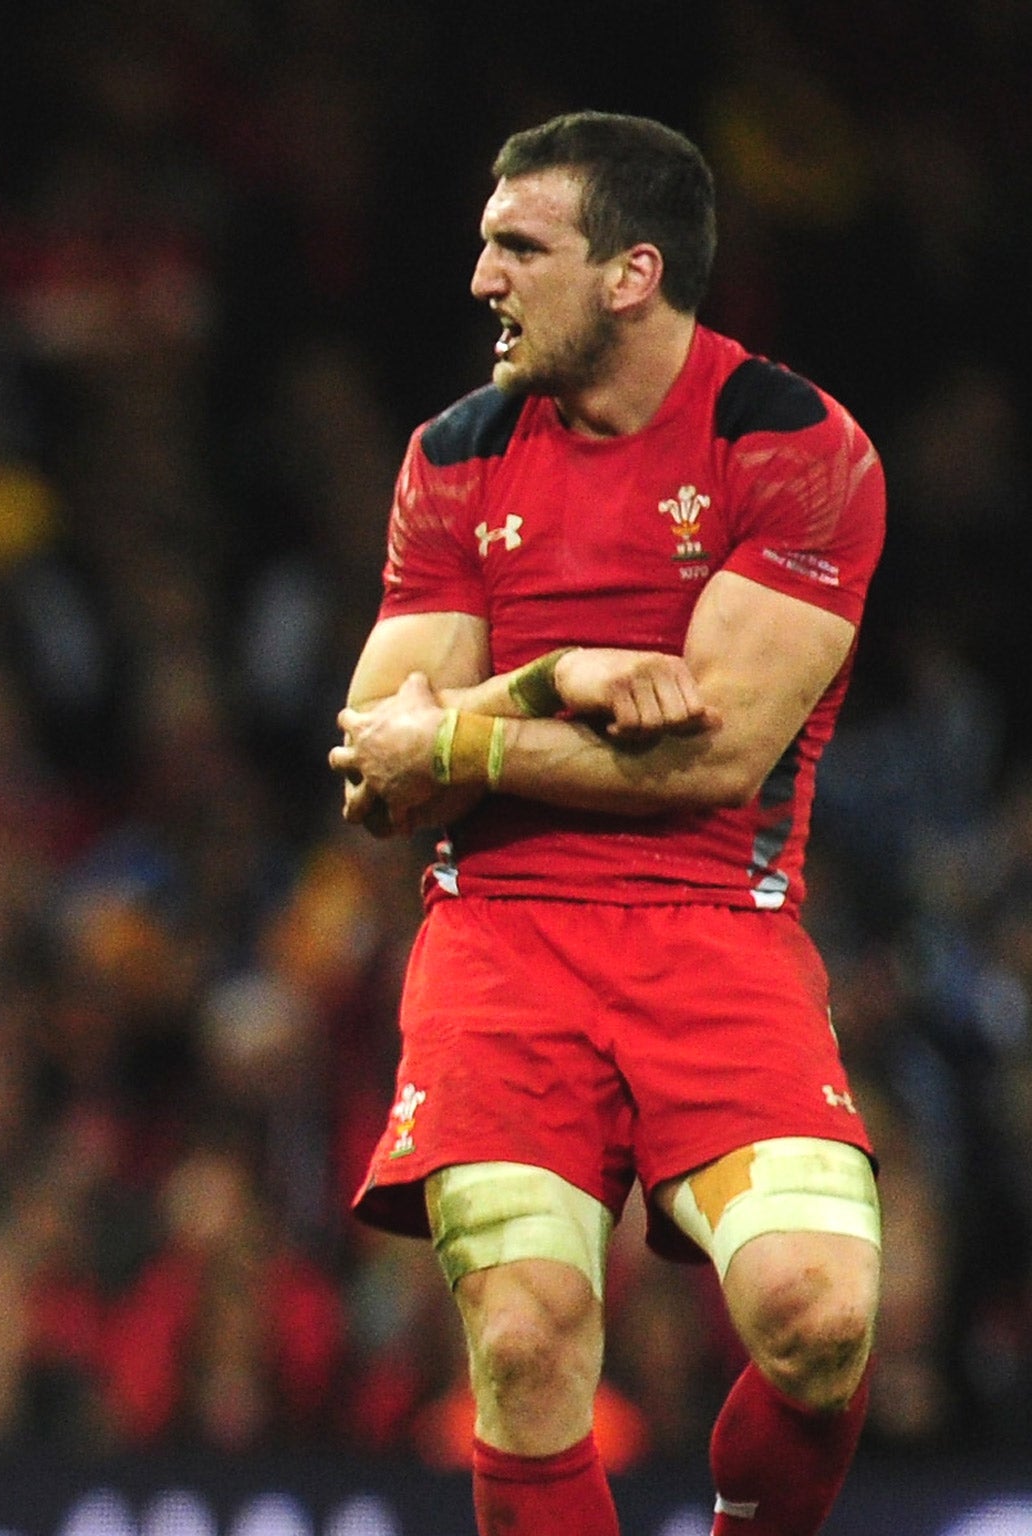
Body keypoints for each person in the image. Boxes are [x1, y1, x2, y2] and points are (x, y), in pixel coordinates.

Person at [329, 112, 884, 1536]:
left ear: (633, 274)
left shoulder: (793, 445)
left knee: (820, 1323)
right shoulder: (456, 454)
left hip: (719, 928)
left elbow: (716, 758)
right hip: (502, 940)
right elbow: (378, 772)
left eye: (520, 247)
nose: (483, 279)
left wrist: (466, 731)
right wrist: (545, 677)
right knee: (524, 1346)